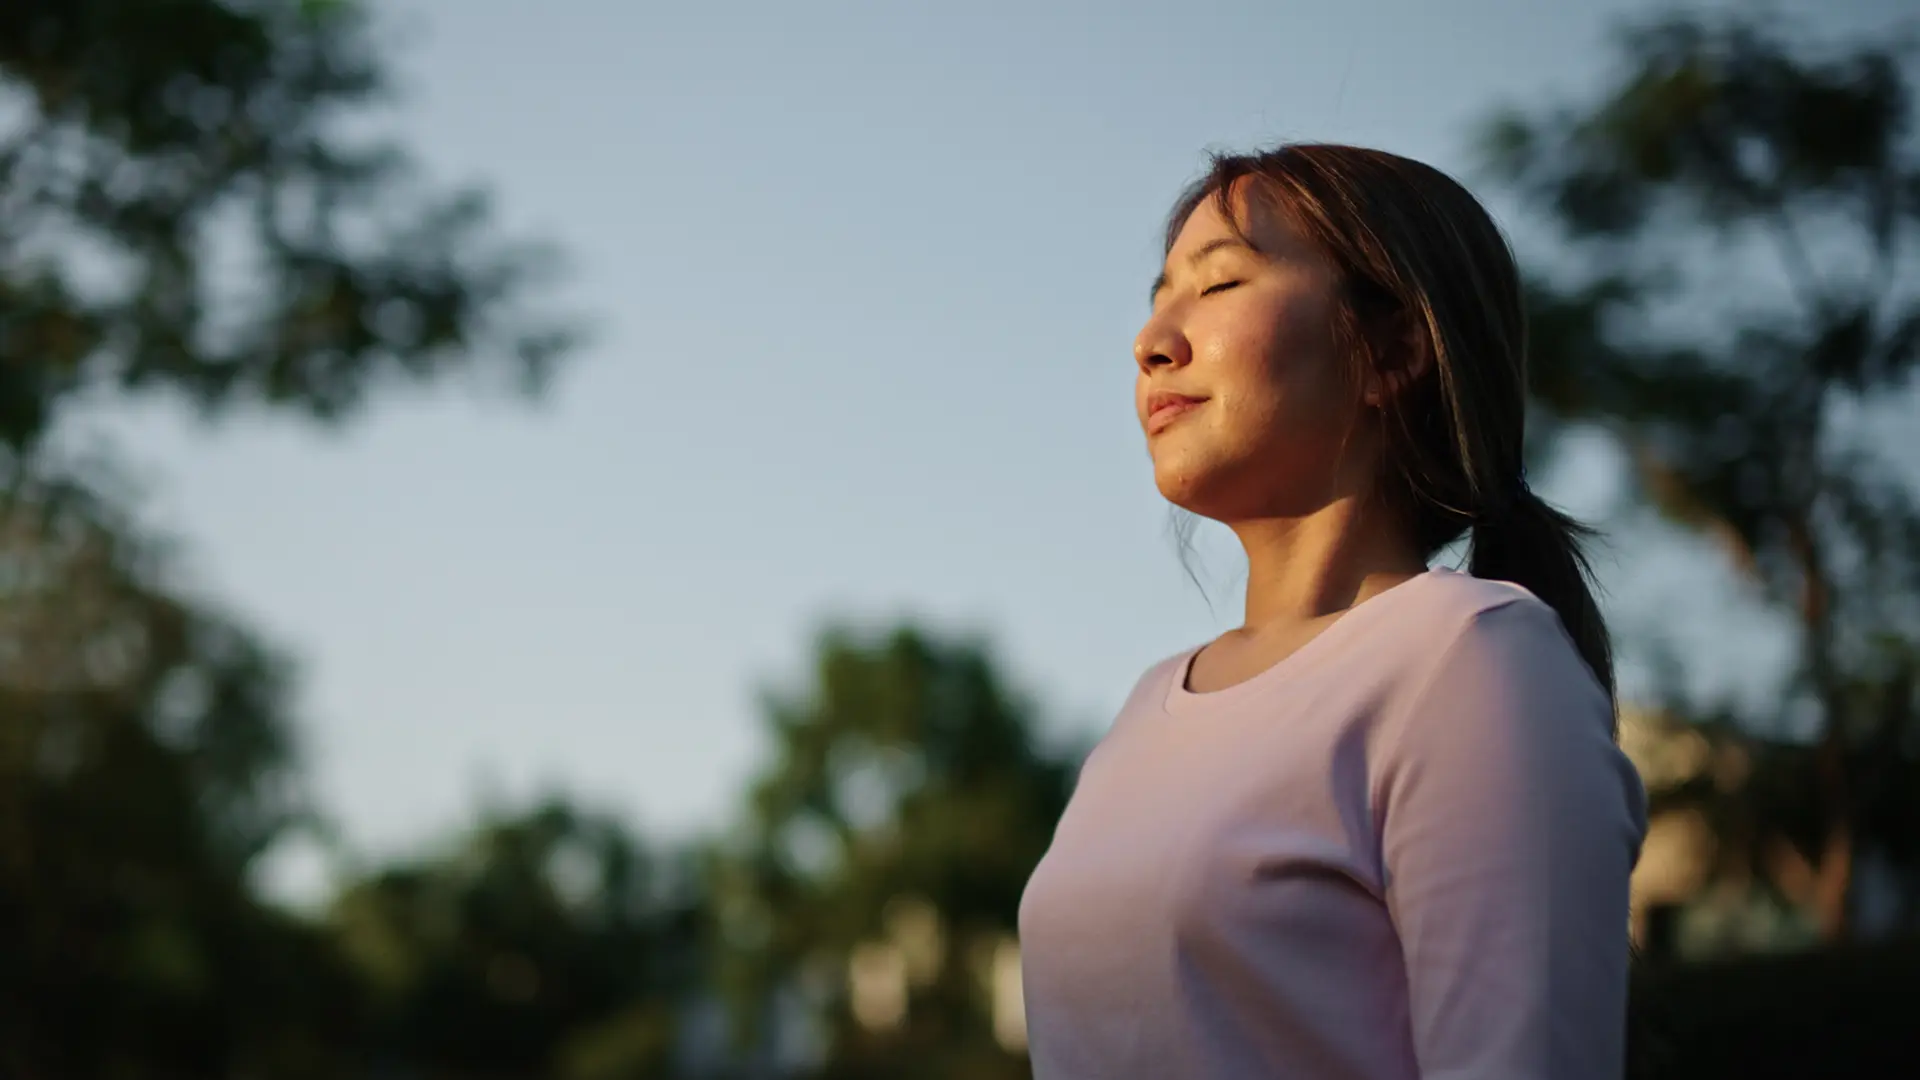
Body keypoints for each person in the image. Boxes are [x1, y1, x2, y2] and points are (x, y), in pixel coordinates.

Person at [1017, 144, 1649, 1080]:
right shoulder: (1141, 715)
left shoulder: (1470, 659)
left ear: (1390, 350)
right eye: (1160, 295)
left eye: (1220, 282)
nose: (1153, 339)